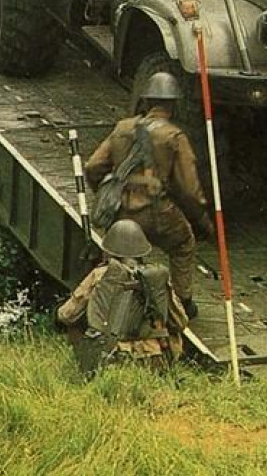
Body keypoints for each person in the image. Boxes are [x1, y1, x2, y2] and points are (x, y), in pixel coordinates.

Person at [85, 70, 211, 317]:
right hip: (158, 212)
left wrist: (107, 193)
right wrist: (201, 218)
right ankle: (182, 303)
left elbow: (93, 166)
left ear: (145, 101)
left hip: (122, 211)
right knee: (183, 244)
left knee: (117, 254)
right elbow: (190, 189)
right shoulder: (174, 136)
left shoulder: (122, 128)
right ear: (173, 104)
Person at [56, 218, 186, 376]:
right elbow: (180, 321)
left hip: (111, 357)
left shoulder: (100, 274)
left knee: (74, 324)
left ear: (109, 250)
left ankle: (84, 371)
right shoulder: (157, 277)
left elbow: (67, 315)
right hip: (153, 358)